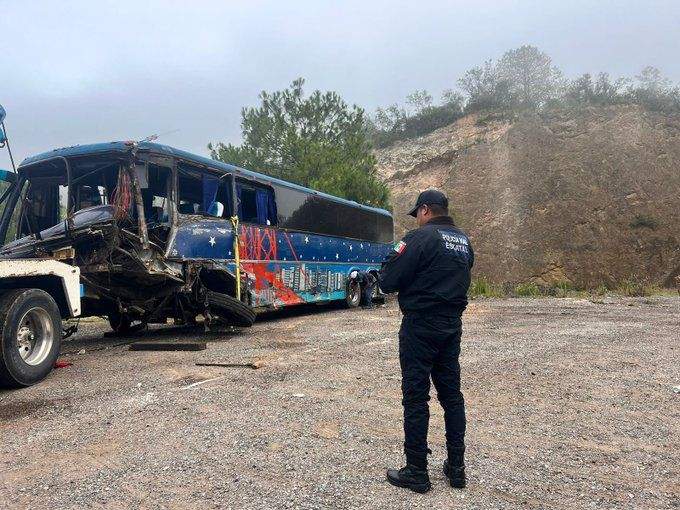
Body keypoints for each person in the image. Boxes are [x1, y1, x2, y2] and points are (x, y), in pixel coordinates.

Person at [378, 189, 474, 493]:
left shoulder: (420, 238)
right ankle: (456, 468)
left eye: (416, 214)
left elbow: (387, 280)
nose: (417, 220)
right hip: (451, 326)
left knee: (416, 397)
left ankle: (416, 471)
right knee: (451, 396)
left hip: (420, 327)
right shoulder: (463, 241)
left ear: (424, 211)